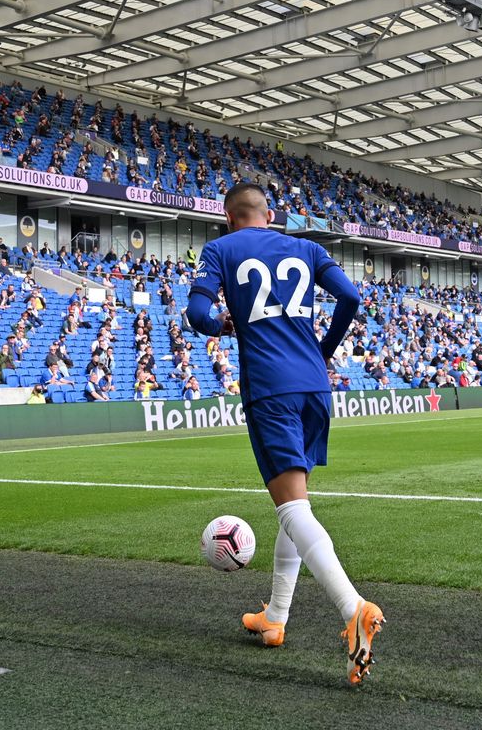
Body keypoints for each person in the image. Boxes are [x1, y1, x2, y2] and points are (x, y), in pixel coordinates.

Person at [184, 182, 377, 685]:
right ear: (270, 215)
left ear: (229, 218)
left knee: (291, 507)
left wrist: (225, 326)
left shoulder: (220, 249)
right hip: (315, 386)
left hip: (269, 388)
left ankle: (353, 608)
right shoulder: (308, 248)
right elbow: (351, 297)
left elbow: (196, 314)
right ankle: (275, 619)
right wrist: (324, 351)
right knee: (297, 505)